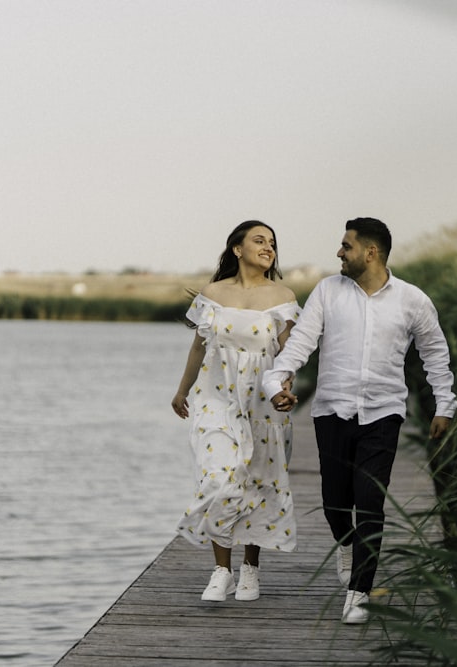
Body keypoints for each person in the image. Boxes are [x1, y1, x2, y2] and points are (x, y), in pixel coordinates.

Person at [263, 217, 456, 624]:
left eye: (345, 246)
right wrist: (276, 379)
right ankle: (347, 546)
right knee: (335, 504)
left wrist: (444, 405)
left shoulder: (412, 300)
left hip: (383, 413)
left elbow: (435, 353)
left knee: (370, 502)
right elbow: (301, 343)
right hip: (331, 410)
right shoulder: (327, 292)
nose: (339, 252)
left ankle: (359, 592)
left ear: (371, 252)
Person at [171, 220, 300, 602]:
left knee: (257, 481)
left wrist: (285, 389)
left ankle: (250, 570)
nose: (268, 248)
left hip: (263, 402)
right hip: (217, 398)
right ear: (237, 249)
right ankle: (220, 570)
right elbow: (198, 346)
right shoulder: (213, 293)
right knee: (218, 480)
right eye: (259, 241)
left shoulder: (282, 295)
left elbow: (289, 352)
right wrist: (182, 391)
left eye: (273, 243)